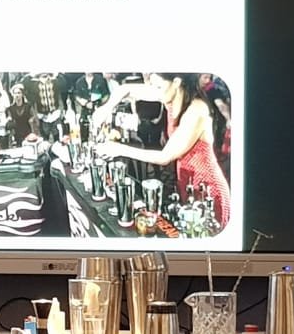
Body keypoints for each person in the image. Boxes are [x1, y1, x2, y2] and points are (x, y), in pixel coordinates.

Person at [92, 72, 231, 228]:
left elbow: (165, 156)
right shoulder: (170, 95)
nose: (154, 90)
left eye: (157, 86)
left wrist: (118, 149)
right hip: (186, 181)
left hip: (208, 188)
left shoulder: (197, 109)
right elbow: (125, 89)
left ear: (177, 82)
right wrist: (106, 108)